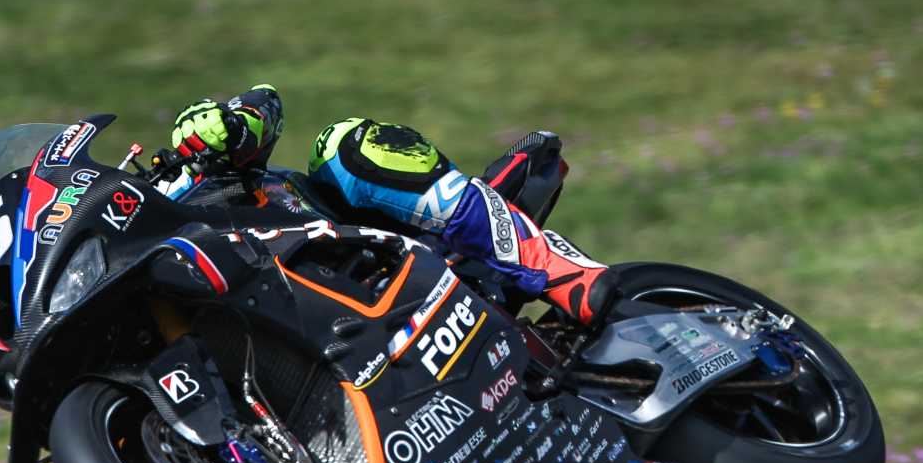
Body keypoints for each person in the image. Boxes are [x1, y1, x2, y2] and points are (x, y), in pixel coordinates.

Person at [164, 83, 615, 324]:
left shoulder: (166, 189)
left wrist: (229, 125)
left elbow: (265, 100)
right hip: (325, 341)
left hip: (382, 254)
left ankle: (556, 269)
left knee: (341, 145)